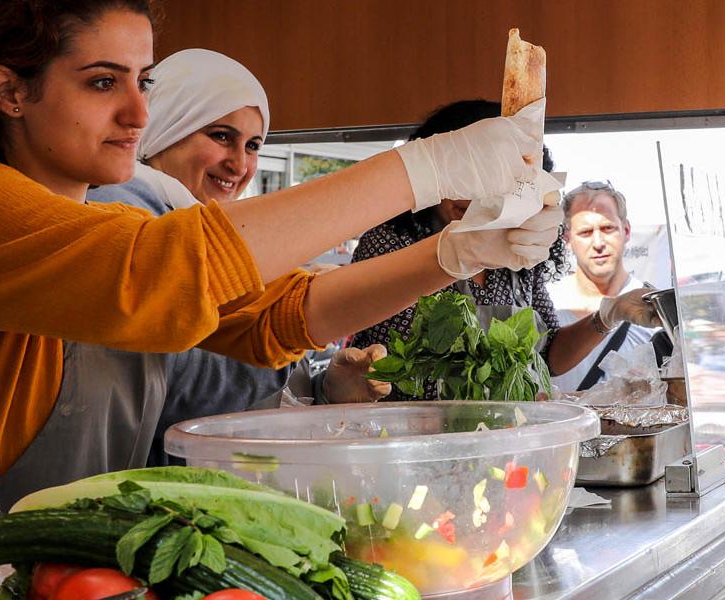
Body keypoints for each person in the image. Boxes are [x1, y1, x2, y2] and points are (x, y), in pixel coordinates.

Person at [0, 0, 562, 505]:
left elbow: (278, 317)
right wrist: (426, 169)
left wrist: (454, 253)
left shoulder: (107, 218)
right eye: (103, 83)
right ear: (11, 91)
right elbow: (153, 273)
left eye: (144, 83)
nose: (137, 113)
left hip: (60, 572)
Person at [86, 49, 389, 466]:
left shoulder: (204, 223)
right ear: (167, 123)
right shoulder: (120, 208)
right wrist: (293, 322)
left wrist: (327, 387)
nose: (240, 163)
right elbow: (190, 388)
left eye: (253, 145)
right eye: (221, 136)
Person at [350, 100, 660, 399]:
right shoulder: (389, 243)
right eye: (457, 176)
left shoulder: (517, 250)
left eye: (487, 180)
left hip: (503, 440)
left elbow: (549, 356)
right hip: (410, 441)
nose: (467, 196)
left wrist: (608, 315)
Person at [548, 181, 661, 392]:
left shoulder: (652, 307)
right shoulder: (547, 304)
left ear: (626, 230)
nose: (598, 243)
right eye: (585, 232)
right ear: (567, 238)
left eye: (607, 228)